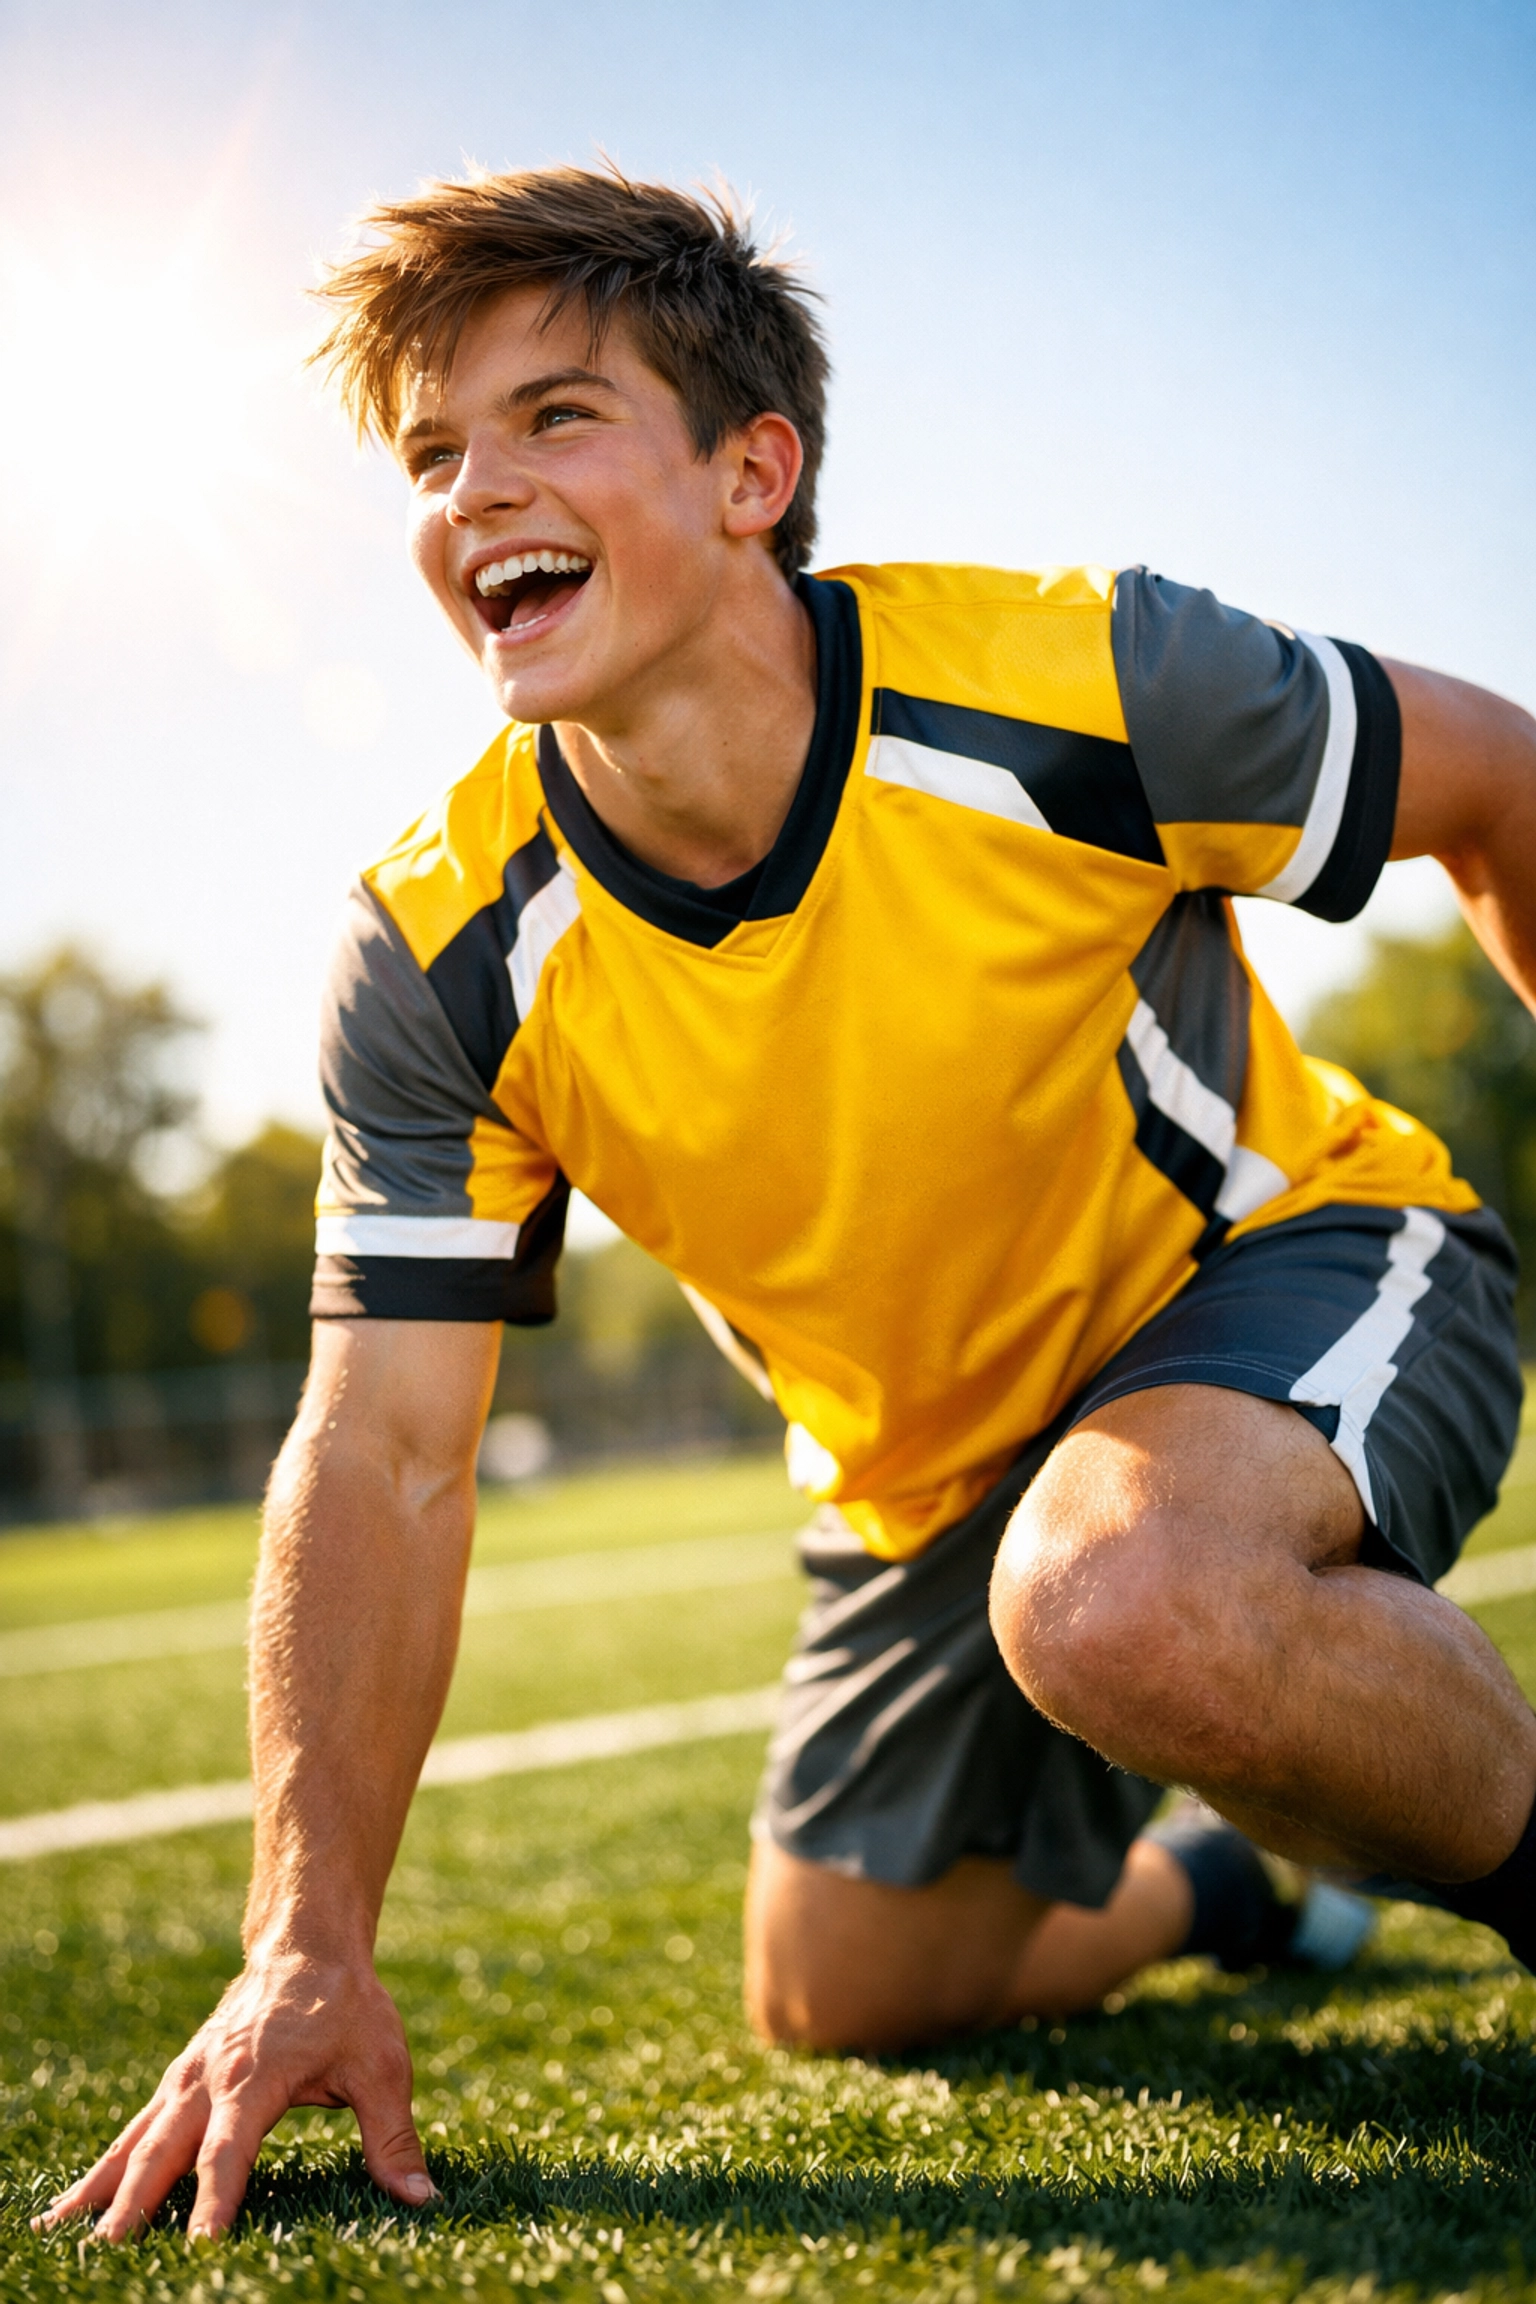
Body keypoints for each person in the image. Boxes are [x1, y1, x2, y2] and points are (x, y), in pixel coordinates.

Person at [42, 164, 1535, 2245]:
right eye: (436, 451)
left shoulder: (1070, 678)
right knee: (848, 1998)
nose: (478, 489)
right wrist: (304, 1935)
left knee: (1117, 1599)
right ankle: (1221, 1886)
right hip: (924, 1472)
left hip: (1286, 1263)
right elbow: (384, 1450)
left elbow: (1501, 784)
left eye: (557, 417)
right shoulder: (440, 947)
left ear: (757, 471)